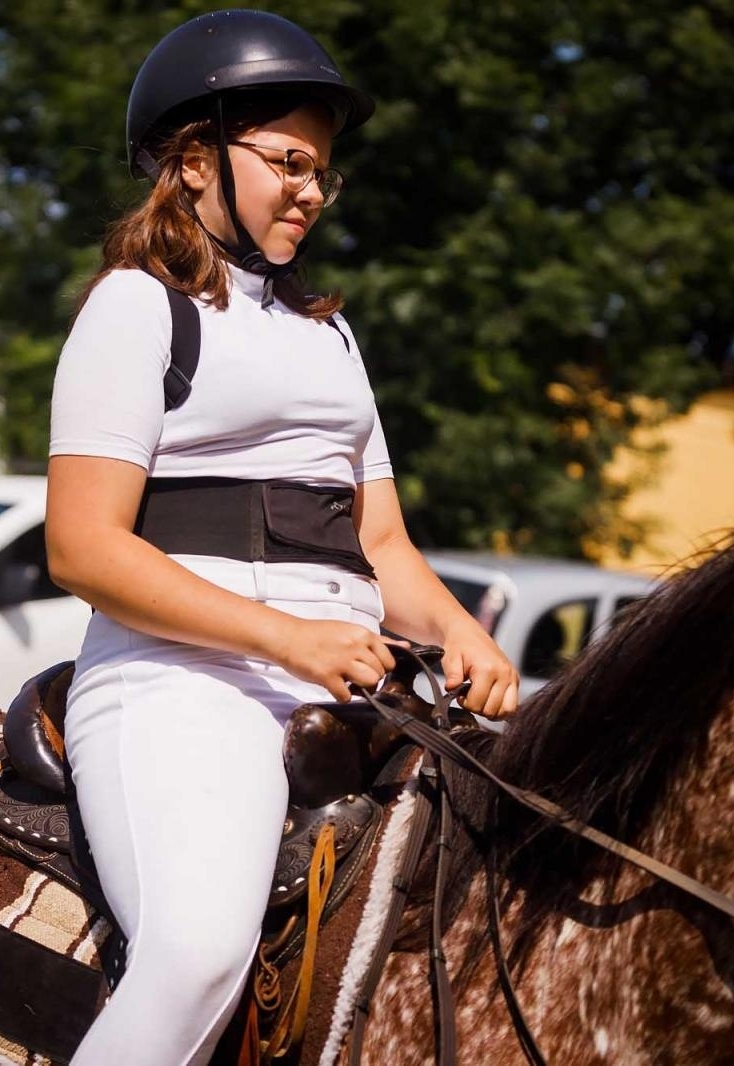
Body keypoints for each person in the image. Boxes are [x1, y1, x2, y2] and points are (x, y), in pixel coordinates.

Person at [44, 10, 520, 1064]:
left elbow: (381, 544)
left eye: (323, 173)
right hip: (179, 683)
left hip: (349, 686)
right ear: (194, 158)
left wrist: (461, 633)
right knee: (198, 955)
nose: (311, 190)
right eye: (289, 162)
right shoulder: (137, 309)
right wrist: (288, 638)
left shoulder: (329, 333)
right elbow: (81, 548)